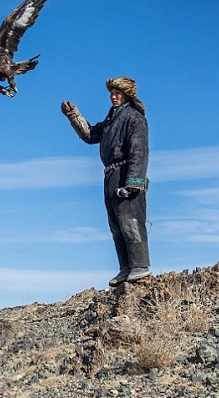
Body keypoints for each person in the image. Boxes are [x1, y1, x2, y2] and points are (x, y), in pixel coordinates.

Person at [61, 77, 151, 287]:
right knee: (116, 225)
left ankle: (140, 266)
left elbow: (139, 151)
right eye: (111, 93)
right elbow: (90, 135)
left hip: (126, 173)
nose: (113, 96)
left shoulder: (134, 118)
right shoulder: (111, 120)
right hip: (111, 175)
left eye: (117, 93)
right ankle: (125, 268)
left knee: (131, 221)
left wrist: (134, 181)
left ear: (127, 95)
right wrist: (74, 115)